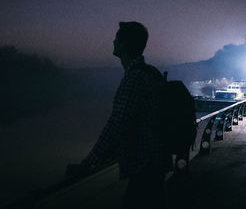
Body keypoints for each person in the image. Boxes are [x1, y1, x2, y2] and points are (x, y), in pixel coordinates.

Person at [68, 22, 172, 209]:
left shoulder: (134, 78)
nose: (113, 41)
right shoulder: (151, 73)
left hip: (144, 165)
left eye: (117, 38)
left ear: (125, 44)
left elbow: (118, 124)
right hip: (158, 160)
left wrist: (88, 163)